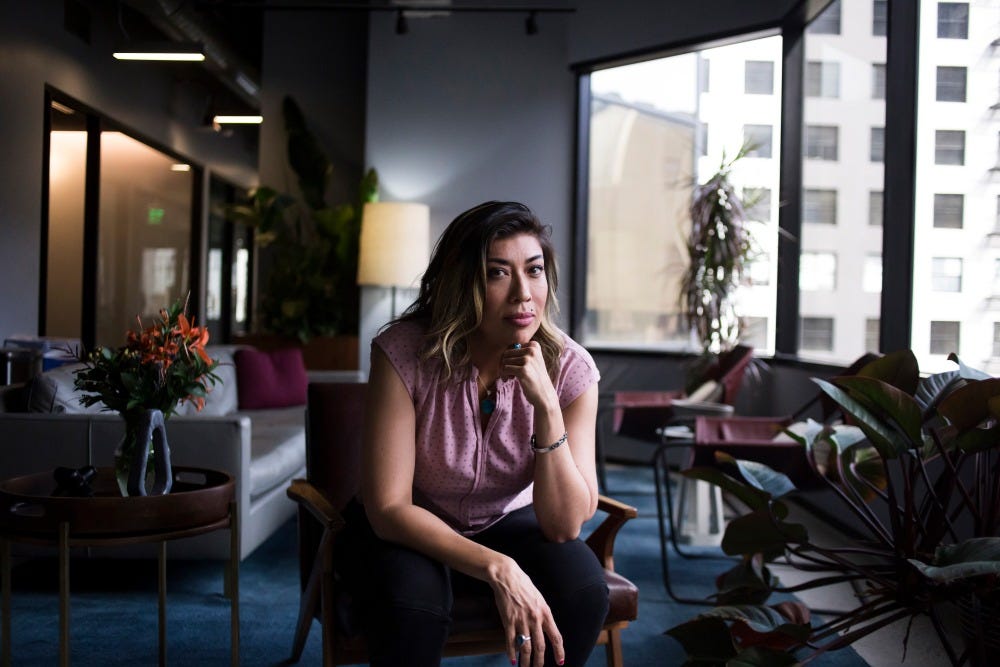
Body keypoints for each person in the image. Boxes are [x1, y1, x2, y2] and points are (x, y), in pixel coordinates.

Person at [337, 201, 608, 667]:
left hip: (508, 519)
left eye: (535, 271)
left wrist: (546, 405)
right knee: (412, 608)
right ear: (464, 284)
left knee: (584, 591)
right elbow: (388, 509)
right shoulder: (404, 352)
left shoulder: (572, 369)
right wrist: (497, 567)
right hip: (412, 523)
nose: (524, 294)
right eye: (498, 273)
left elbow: (564, 526)